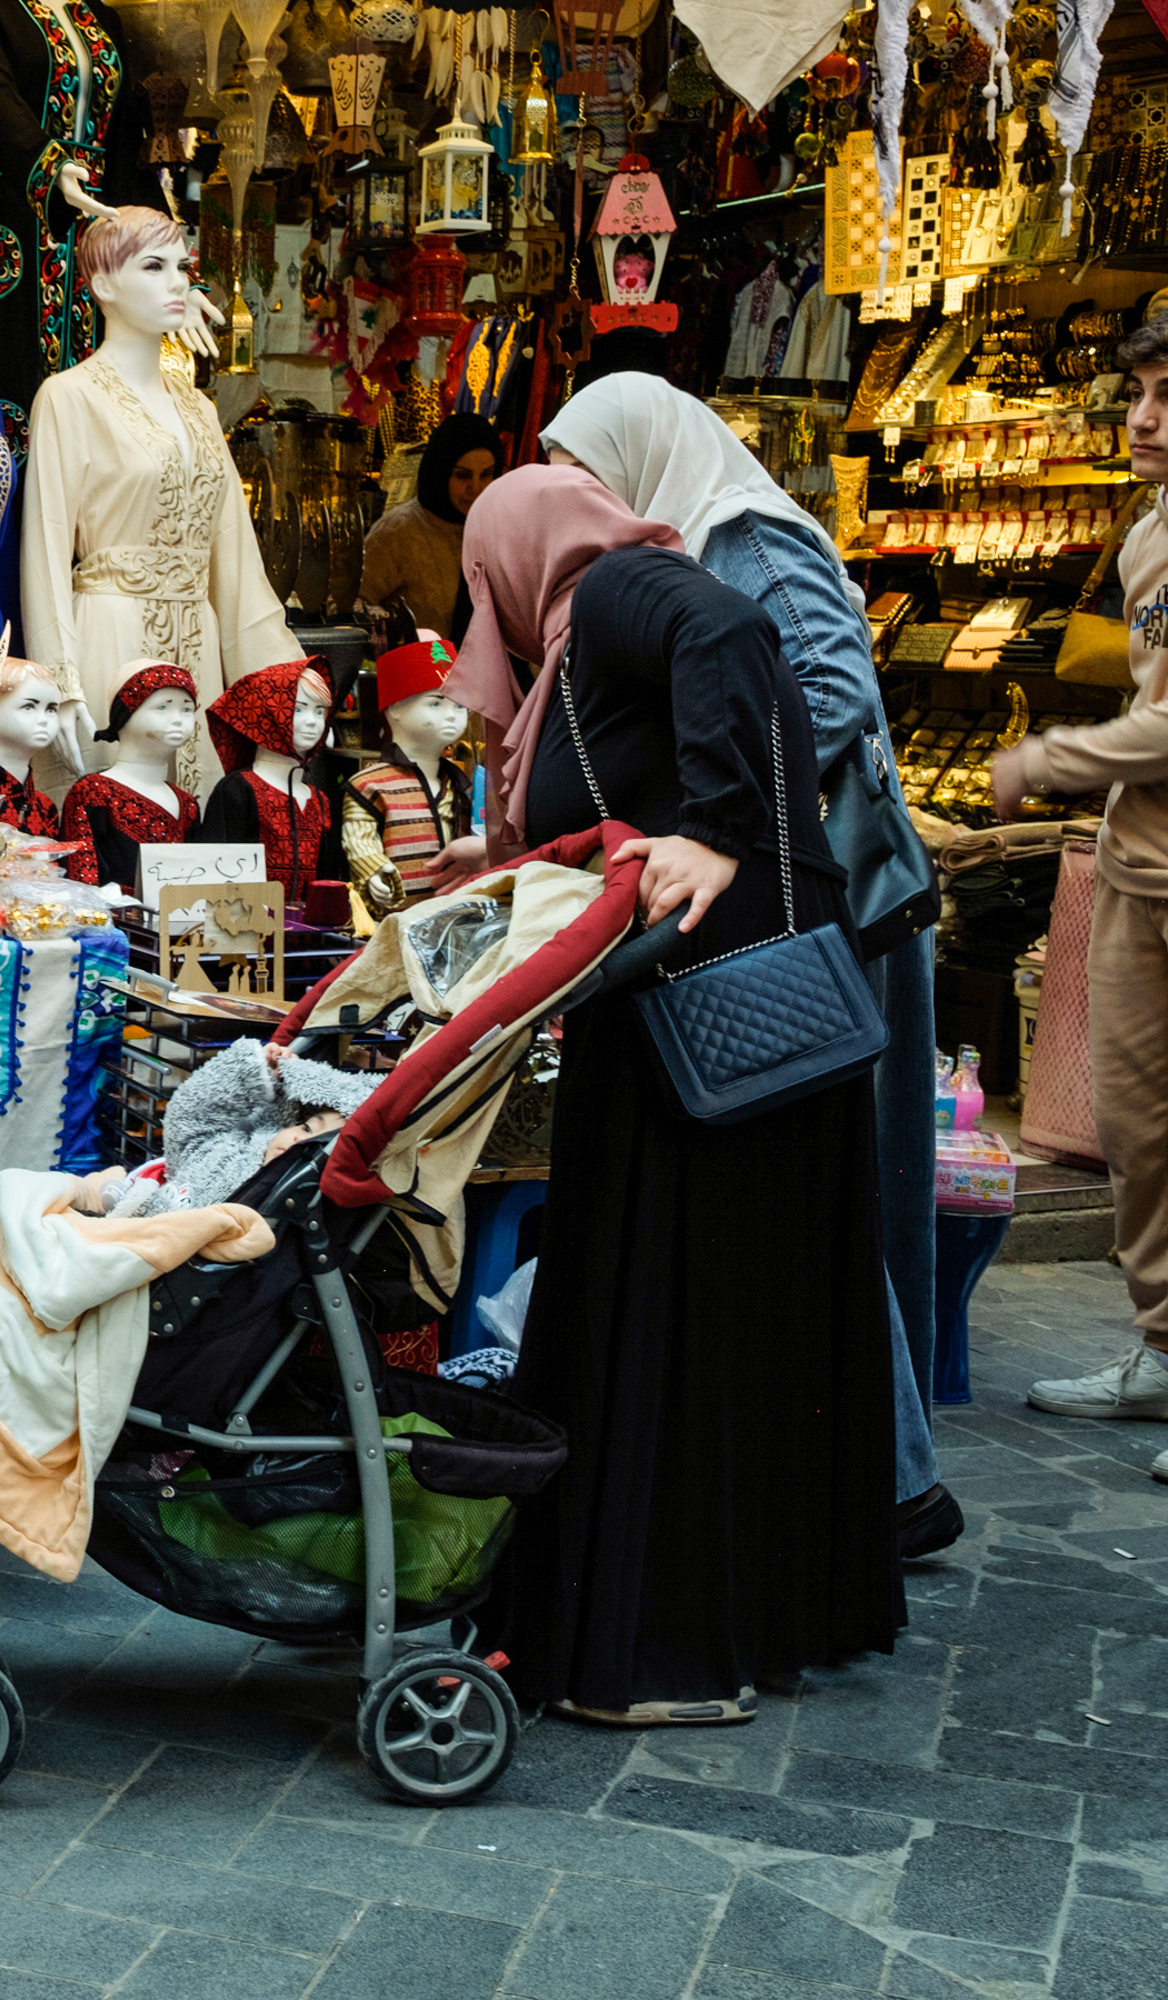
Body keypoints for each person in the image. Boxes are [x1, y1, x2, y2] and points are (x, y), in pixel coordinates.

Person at [455, 463, 902, 1725]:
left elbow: (731, 629)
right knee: (720, 1308)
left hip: (714, 1012)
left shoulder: (616, 591)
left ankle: (673, 1644)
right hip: (714, 1015)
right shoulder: (584, 650)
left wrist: (713, 824)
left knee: (679, 1304)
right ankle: (742, 1620)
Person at [540, 370, 960, 1560]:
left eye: (595, 469)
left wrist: (708, 809)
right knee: (837, 1183)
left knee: (838, 1184)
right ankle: (877, 1469)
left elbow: (833, 695)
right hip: (788, 893)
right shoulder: (695, 543)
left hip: (832, 906)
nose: (588, 497)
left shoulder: (747, 536)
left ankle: (897, 1480)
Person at [1001, 315, 1168, 1476]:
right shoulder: (1149, 534)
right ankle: (1161, 1346)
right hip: (1138, 865)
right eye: (1142, 393)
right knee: (1135, 1124)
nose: (1146, 419)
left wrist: (1049, 762)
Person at [359, 412, 501, 639]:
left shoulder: (497, 529)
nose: (475, 488)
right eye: (462, 476)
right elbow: (353, 604)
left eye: (486, 475)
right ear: (441, 472)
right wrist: (395, 633)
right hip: (416, 670)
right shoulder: (398, 532)